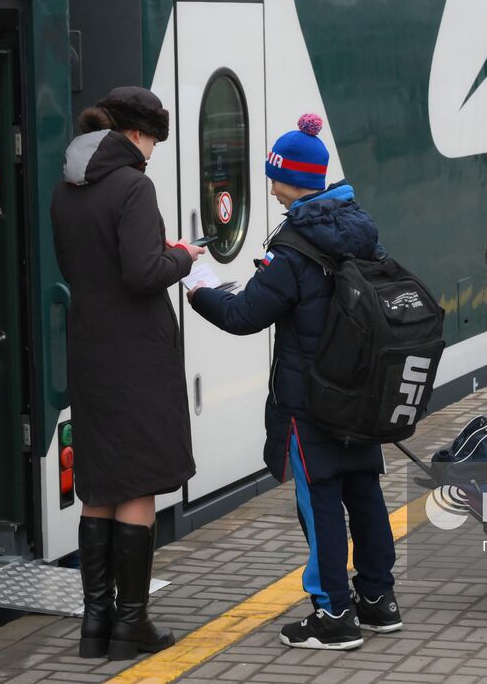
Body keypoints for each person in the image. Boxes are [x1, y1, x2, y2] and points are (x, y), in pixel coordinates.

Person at [188, 114, 399, 651]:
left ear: (289, 179)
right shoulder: (359, 228)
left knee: (321, 501)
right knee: (365, 490)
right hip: (360, 391)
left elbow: (242, 316)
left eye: (273, 175)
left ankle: (333, 615)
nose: (270, 184)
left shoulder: (294, 247)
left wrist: (199, 289)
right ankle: (378, 601)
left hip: (311, 400)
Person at [49, 87, 204, 660]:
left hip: (90, 348)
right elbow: (142, 274)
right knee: (136, 481)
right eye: (153, 141)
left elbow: (88, 264)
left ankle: (96, 624)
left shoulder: (67, 186)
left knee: (99, 483)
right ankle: (131, 624)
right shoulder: (134, 186)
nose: (153, 153)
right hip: (135, 353)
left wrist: (151, 252)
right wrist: (183, 257)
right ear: (135, 134)